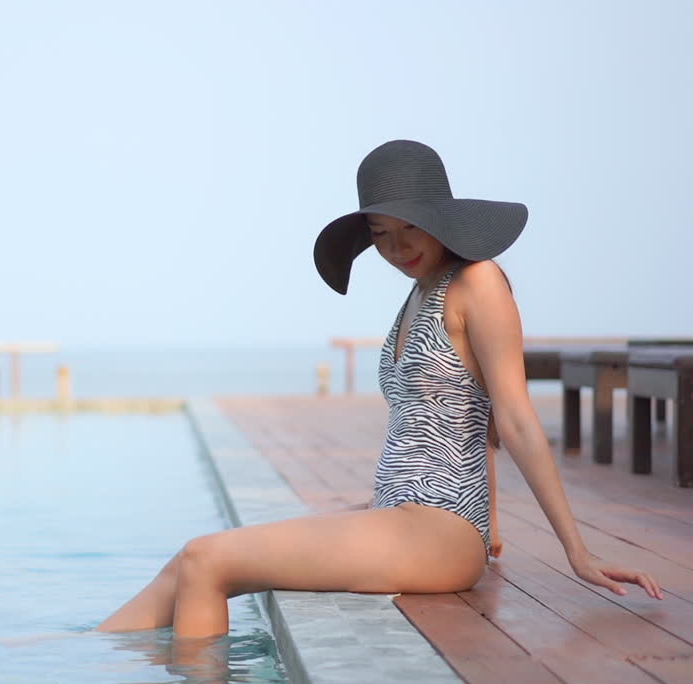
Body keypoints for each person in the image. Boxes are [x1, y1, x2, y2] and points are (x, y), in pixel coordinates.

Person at [96, 139, 663, 639]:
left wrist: (576, 552)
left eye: (410, 227)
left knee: (207, 560)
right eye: (381, 235)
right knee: (189, 559)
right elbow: (470, 416)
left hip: (438, 529)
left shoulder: (478, 281)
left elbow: (512, 417)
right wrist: (487, 522)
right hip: (401, 514)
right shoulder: (420, 292)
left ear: (441, 217)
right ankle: (70, 654)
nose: (397, 249)